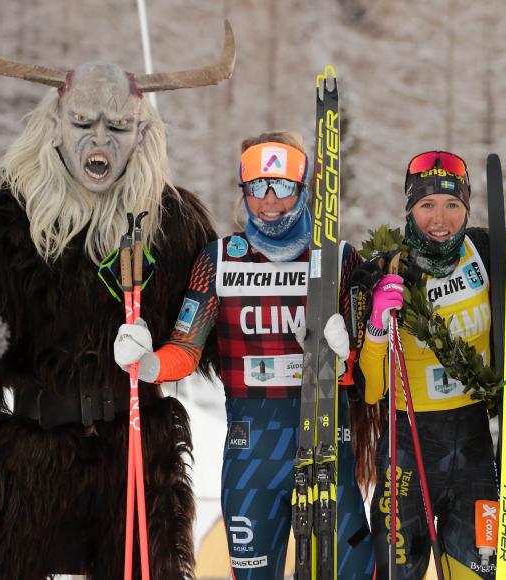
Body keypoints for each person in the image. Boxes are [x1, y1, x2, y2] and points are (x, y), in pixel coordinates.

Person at [0, 13, 232, 579]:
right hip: (22, 455)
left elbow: (220, 329)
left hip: (135, 456)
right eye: (83, 123)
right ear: (54, 124)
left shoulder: (174, 225)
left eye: (117, 127)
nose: (99, 141)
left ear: (142, 132)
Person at [114, 131, 376, 579]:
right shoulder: (218, 261)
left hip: (324, 440)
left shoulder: (338, 259)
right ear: (243, 190)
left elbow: (367, 372)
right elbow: (186, 349)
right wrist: (149, 362)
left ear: (303, 189)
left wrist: (347, 355)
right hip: (251, 449)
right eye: (256, 186)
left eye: (281, 187)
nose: (268, 200)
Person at [358, 150, 498, 579]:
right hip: (408, 447)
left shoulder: (486, 250)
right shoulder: (385, 268)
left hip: (474, 450)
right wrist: (379, 326)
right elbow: (371, 390)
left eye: (453, 204)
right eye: (427, 205)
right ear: (409, 207)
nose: (441, 218)